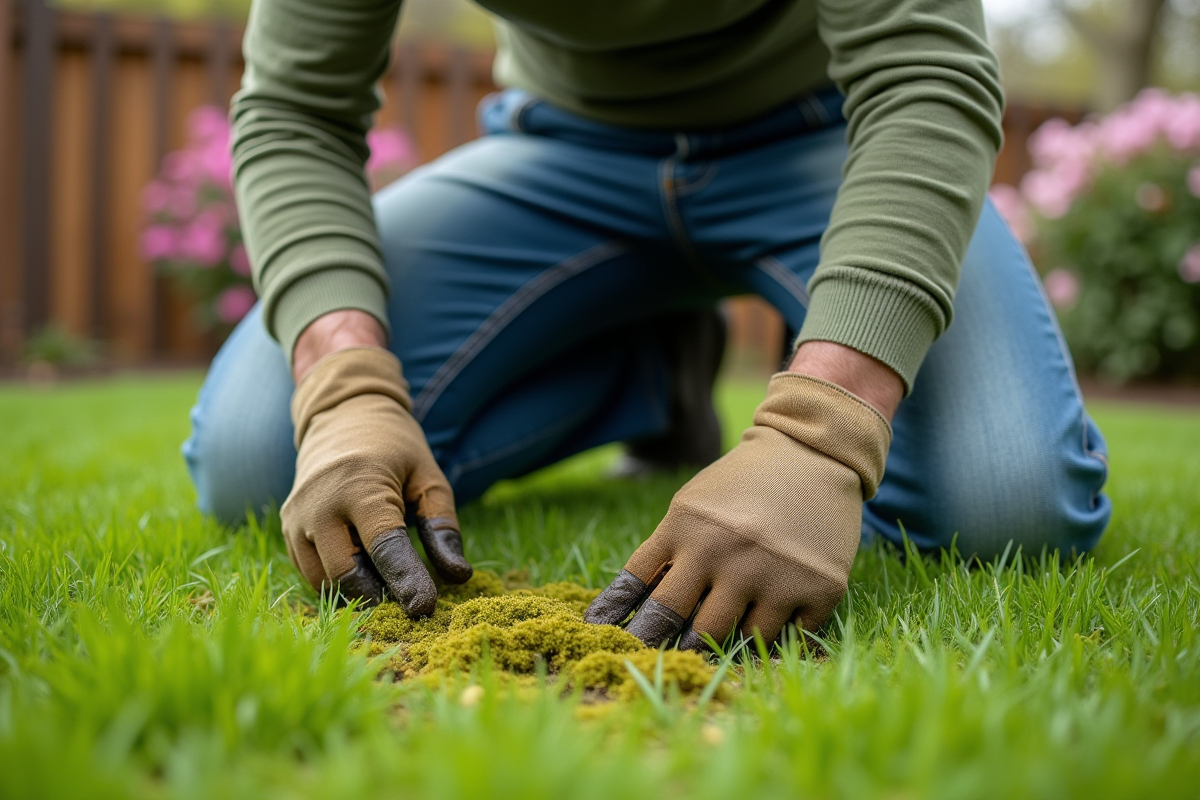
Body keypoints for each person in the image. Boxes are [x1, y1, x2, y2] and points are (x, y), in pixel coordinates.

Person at [184, 0, 1111, 649]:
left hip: (830, 136)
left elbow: (924, 78)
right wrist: (344, 383)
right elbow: (295, 111)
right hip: (564, 153)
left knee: (1009, 504)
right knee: (262, 457)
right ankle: (652, 369)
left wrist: (822, 434)